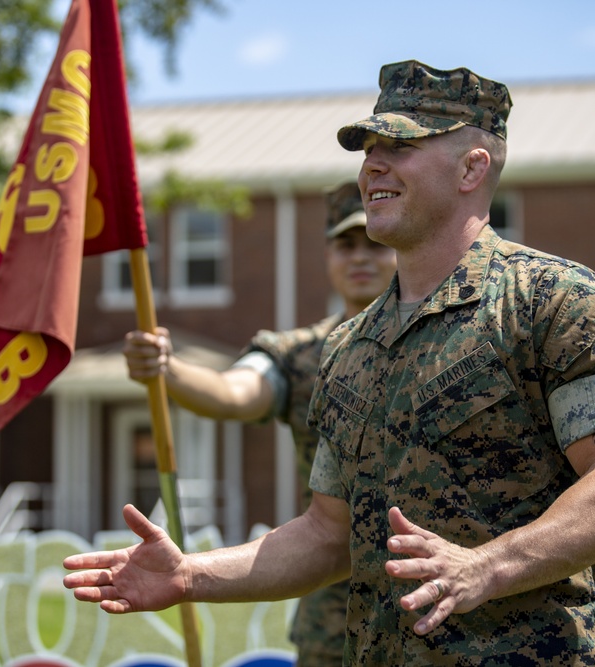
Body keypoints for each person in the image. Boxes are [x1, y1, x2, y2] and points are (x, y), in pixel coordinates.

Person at [65, 60, 595, 666]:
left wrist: (485, 567)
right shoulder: (349, 347)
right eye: (369, 149)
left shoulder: (555, 302)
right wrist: (191, 575)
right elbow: (327, 537)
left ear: (471, 167)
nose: (371, 165)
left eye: (400, 146)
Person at [120, 182, 396, 665]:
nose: (360, 258)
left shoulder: (443, 343)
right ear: (328, 255)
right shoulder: (299, 354)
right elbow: (234, 394)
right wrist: (169, 368)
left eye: (375, 246)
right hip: (335, 615)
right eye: (345, 245)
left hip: (436, 608)